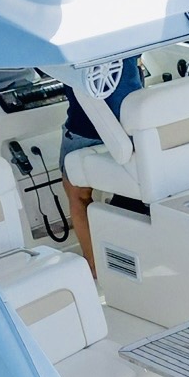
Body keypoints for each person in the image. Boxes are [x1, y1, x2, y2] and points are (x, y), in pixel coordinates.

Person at [61, 55, 143, 275]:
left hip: (84, 128)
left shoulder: (68, 42)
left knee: (78, 196)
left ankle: (95, 267)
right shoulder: (127, 36)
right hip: (130, 127)